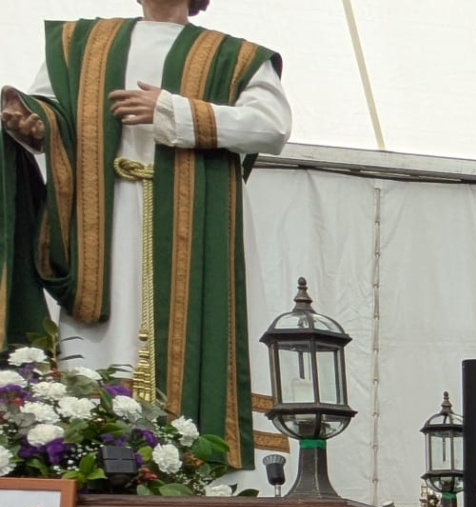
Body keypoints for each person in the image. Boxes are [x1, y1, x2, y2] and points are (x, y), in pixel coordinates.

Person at [1, 0, 290, 467]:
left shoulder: (235, 57)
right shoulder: (80, 44)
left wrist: (172, 110)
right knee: (102, 340)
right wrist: (32, 124)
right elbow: (50, 115)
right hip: (104, 222)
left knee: (198, 325)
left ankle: (196, 462)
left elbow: (272, 127)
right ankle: (86, 446)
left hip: (199, 226)